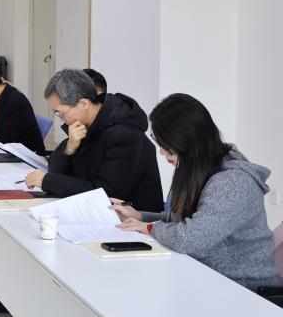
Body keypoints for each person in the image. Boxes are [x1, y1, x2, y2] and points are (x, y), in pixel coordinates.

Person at [113, 93, 280, 290]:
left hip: (245, 290)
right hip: (211, 279)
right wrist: (141, 217)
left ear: (186, 140)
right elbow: (185, 220)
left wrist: (148, 228)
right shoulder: (204, 169)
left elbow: (190, 239)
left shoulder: (233, 182)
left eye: (165, 144)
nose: (161, 151)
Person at [22, 69, 163, 211]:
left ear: (84, 104)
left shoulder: (124, 135)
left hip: (133, 217)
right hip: (93, 210)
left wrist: (48, 181)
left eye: (61, 113)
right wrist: (69, 148)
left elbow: (107, 193)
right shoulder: (85, 124)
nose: (61, 118)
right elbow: (55, 170)